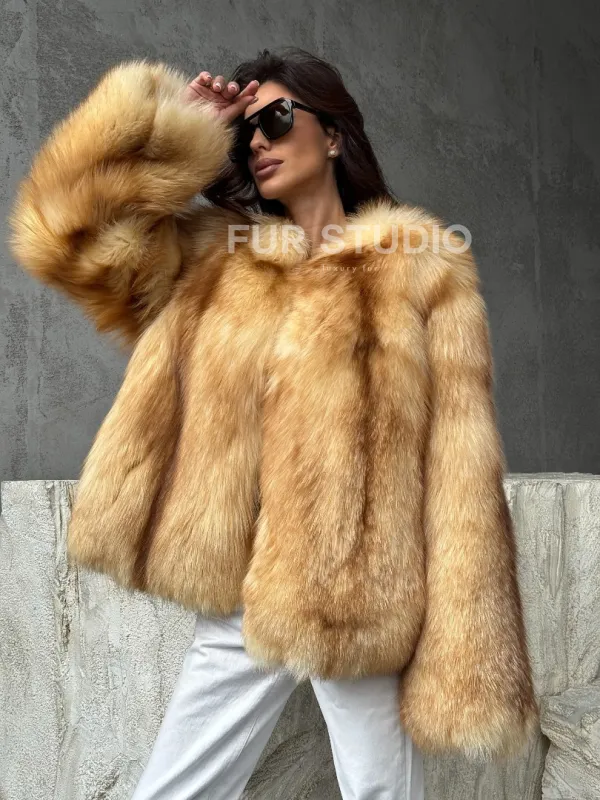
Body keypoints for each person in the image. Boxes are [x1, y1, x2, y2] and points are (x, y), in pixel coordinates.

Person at [7, 46, 538, 800]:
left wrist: (467, 650)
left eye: (279, 118)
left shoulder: (421, 269)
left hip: (356, 602)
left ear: (334, 135)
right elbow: (66, 238)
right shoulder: (212, 259)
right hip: (238, 599)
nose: (258, 139)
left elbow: (462, 468)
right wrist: (181, 132)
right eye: (246, 129)